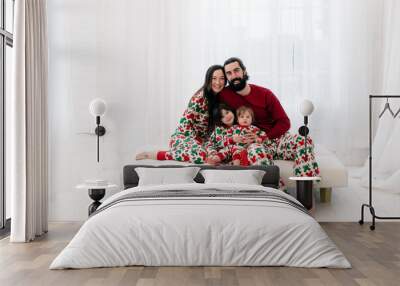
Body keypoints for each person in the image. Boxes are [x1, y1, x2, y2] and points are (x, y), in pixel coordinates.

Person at [219, 57, 320, 177]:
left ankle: (305, 190)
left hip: (275, 139)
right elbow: (206, 92)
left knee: (304, 141)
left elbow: (284, 122)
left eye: (236, 70)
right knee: (257, 153)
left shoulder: (265, 94)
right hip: (253, 144)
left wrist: (266, 136)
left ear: (244, 71)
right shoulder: (224, 94)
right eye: (229, 73)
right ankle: (276, 192)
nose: (233, 75)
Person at [136, 65, 226, 164]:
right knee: (201, 155)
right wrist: (199, 143)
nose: (218, 82)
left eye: (222, 78)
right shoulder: (200, 98)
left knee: (218, 155)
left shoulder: (220, 99)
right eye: (214, 78)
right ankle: (154, 155)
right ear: (208, 79)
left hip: (202, 141)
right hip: (184, 138)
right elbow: (185, 125)